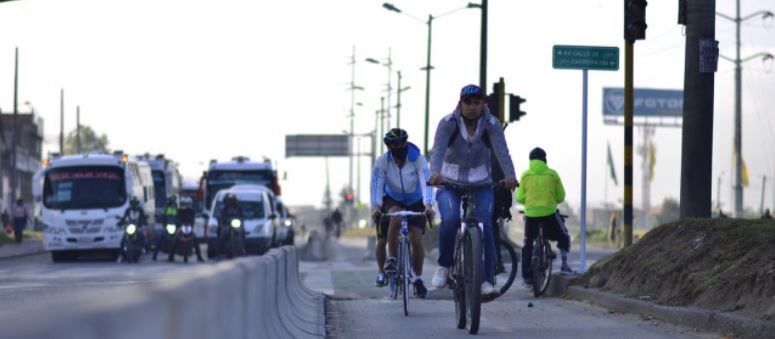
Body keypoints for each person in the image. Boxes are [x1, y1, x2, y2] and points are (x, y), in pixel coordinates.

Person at [428, 84, 518, 297]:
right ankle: (444, 265)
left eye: (477, 103)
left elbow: (502, 152)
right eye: (468, 102)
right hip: (449, 182)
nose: (472, 107)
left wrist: (510, 176)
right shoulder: (447, 123)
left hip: (481, 183)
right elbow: (438, 151)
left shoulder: (492, 124)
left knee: (486, 224)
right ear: (460, 104)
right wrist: (435, 173)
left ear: (482, 105)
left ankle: (485, 280)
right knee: (450, 219)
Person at [370, 128, 434, 298]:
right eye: (395, 144)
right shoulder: (382, 161)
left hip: (416, 199)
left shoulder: (418, 159)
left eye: (402, 143)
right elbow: (377, 184)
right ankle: (391, 259)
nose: (400, 146)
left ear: (407, 142)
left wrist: (428, 204)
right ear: (389, 146)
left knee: (416, 238)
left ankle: (418, 278)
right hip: (393, 199)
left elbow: (426, 182)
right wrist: (376, 206)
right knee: (395, 218)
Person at [516, 147, 573, 288]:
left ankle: (527, 277)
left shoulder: (525, 176)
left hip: (531, 215)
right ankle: (565, 266)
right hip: (549, 214)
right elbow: (561, 196)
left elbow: (519, 197)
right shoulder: (553, 175)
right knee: (564, 236)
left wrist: (531, 202)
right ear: (544, 160)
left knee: (527, 243)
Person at [176, 196, 205, 262]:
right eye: (184, 204)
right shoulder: (179, 211)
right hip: (181, 227)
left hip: (189, 227)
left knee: (195, 240)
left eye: (187, 204)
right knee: (175, 238)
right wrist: (178, 223)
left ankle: (199, 256)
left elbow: (193, 219)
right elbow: (177, 218)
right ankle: (171, 256)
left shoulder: (192, 211)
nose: (185, 205)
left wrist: (192, 223)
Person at [153, 196, 178, 261]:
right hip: (167, 226)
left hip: (174, 226)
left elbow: (179, 217)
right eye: (171, 202)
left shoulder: (176, 208)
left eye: (173, 202)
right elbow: (163, 216)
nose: (172, 203)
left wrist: (179, 223)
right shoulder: (166, 208)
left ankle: (173, 256)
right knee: (160, 239)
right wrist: (160, 219)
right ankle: (154, 255)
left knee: (179, 239)